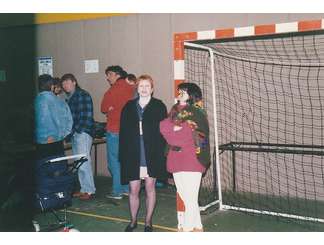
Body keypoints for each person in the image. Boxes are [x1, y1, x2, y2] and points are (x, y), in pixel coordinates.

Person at [160, 82, 211, 232]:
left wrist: (173, 130)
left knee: (190, 196)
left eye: (184, 91)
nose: (179, 92)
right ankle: (198, 226)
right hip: (175, 157)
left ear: (192, 95)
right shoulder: (174, 110)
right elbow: (162, 126)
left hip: (192, 157)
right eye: (179, 90)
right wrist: (174, 129)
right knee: (185, 194)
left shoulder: (197, 112)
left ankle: (187, 229)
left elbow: (183, 136)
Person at [119, 75, 167, 232]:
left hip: (151, 154)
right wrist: (122, 156)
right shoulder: (128, 106)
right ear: (137, 88)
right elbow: (123, 133)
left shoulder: (159, 106)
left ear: (152, 89)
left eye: (147, 86)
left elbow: (163, 133)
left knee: (150, 188)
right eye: (141, 86)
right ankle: (133, 221)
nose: (144, 89)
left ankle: (148, 221)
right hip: (133, 154)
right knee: (133, 190)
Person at [100, 65, 135, 199]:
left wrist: (111, 108)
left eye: (109, 74)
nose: (108, 78)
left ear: (117, 75)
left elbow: (103, 108)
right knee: (125, 160)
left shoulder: (112, 90)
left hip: (114, 129)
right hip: (129, 131)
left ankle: (117, 191)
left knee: (114, 161)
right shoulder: (132, 88)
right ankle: (126, 188)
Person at [61, 73, 96, 201]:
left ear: (74, 82)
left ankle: (89, 190)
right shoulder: (70, 97)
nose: (65, 85)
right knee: (79, 162)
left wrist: (77, 131)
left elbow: (85, 116)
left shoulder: (82, 95)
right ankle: (84, 189)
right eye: (63, 84)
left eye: (67, 82)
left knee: (84, 162)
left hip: (83, 132)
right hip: (76, 133)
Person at [34, 74, 73, 155]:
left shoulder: (37, 101)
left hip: (41, 143)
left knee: (45, 165)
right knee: (59, 165)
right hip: (58, 142)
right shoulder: (61, 102)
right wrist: (63, 135)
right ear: (52, 86)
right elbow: (69, 121)